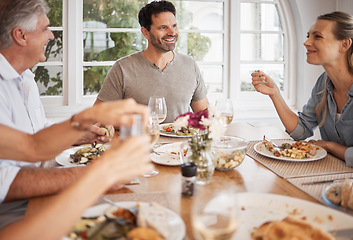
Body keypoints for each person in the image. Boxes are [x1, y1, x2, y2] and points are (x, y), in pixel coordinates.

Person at [0, 0, 142, 229]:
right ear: (21, 36)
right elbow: (7, 181)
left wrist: (82, 134)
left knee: (129, 213)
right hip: (15, 213)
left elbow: (36, 133)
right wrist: (95, 174)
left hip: (38, 196)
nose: (52, 36)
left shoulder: (24, 77)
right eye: (45, 28)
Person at [0, 133, 153, 240]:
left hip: (40, 203)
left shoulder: (24, 85)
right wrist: (97, 176)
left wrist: (79, 132)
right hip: (14, 217)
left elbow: (34, 139)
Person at [251, 11, 353, 166]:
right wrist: (275, 93)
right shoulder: (323, 84)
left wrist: (329, 145)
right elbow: (301, 130)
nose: (307, 42)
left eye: (317, 36)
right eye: (308, 35)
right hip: (332, 173)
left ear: (344, 44)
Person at [94, 0, 209, 123]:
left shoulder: (190, 65)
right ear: (145, 32)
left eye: (174, 26)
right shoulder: (123, 68)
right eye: (163, 27)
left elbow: (204, 116)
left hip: (181, 142)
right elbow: (97, 116)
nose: (172, 33)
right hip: (140, 141)